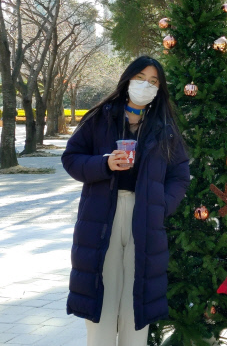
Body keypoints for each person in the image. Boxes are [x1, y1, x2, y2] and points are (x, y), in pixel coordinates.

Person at [61, 56, 190, 346]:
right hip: (101, 216)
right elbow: (71, 159)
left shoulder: (163, 126)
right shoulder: (101, 118)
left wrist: (163, 206)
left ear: (160, 88)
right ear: (127, 79)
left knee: (137, 297)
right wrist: (104, 164)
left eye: (154, 81)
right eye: (140, 77)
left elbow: (180, 174)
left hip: (145, 216)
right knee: (102, 296)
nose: (146, 85)